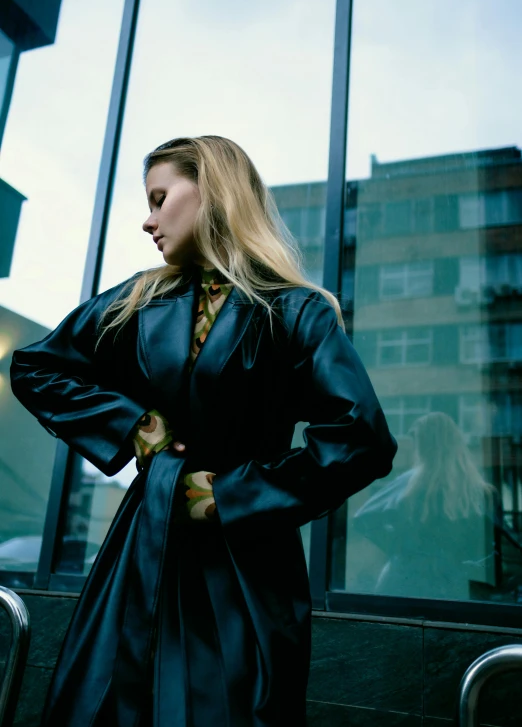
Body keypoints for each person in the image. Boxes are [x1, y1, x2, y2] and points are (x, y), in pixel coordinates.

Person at [10, 135, 397, 727]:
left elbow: (360, 437)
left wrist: (232, 496)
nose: (147, 219)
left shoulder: (295, 310)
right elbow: (37, 367)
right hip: (143, 545)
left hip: (246, 563)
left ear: (210, 191)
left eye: (160, 197)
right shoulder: (140, 299)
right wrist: (136, 427)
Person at [353, 411, 497, 600]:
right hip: (451, 584)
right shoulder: (477, 490)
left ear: (424, 445)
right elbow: (484, 546)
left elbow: (363, 519)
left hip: (404, 580)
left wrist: (399, 547)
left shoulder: (410, 484)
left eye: (418, 441)